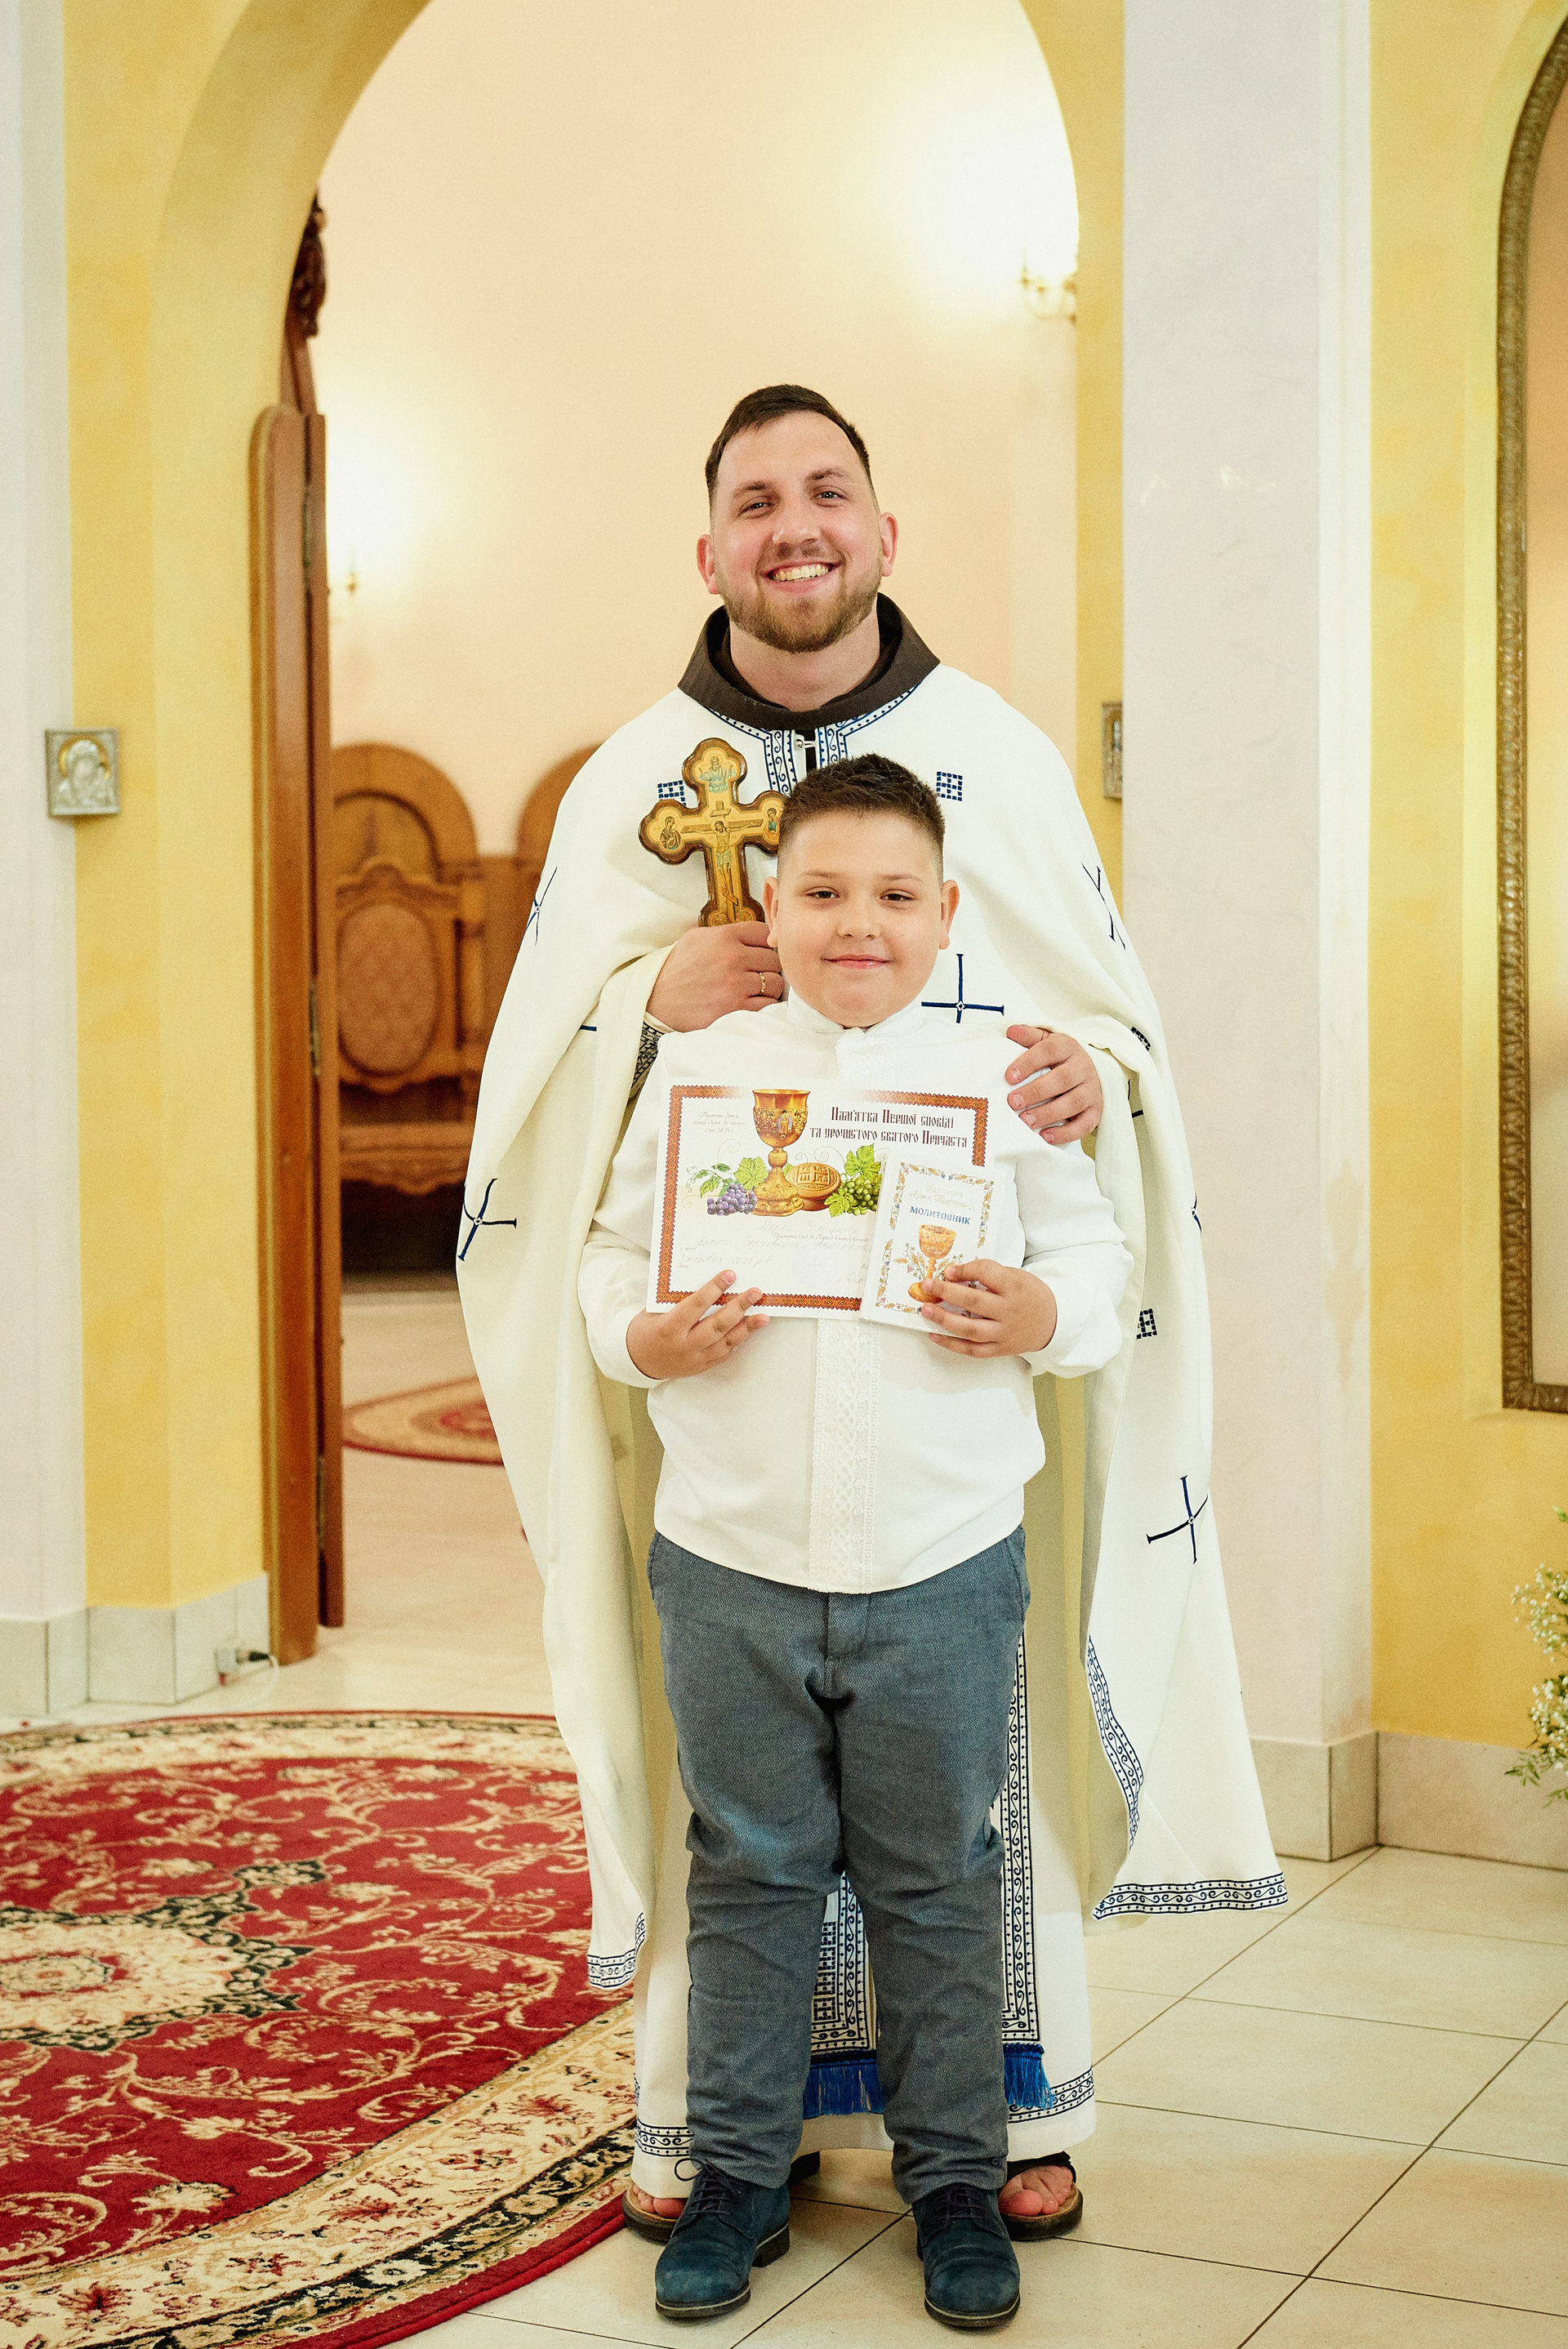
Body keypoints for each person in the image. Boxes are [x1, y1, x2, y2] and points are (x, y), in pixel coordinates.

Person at [458, 383, 1280, 2244]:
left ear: (885, 533)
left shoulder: (995, 754)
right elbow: (536, 1095)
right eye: (757, 500)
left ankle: (998, 2114)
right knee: (739, 1821)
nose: (796, 525)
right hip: (736, 1443)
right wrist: (640, 1000)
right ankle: (718, 2123)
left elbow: (1114, 1026)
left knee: (953, 1816)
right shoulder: (631, 778)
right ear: (710, 549)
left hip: (944, 1440)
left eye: (828, 491)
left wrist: (1091, 1081)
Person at [578, 756, 1132, 2327]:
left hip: (941, 1555)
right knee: (750, 1868)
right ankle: (739, 2175)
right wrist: (647, 1337)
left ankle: (952, 2178)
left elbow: (1094, 1256)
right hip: (732, 1554)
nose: (858, 924)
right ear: (772, 905)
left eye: (894, 894)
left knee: (940, 1874)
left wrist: (1040, 1311)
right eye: (823, 892)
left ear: (946, 911)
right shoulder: (702, 1073)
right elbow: (611, 1259)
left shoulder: (1002, 1075)